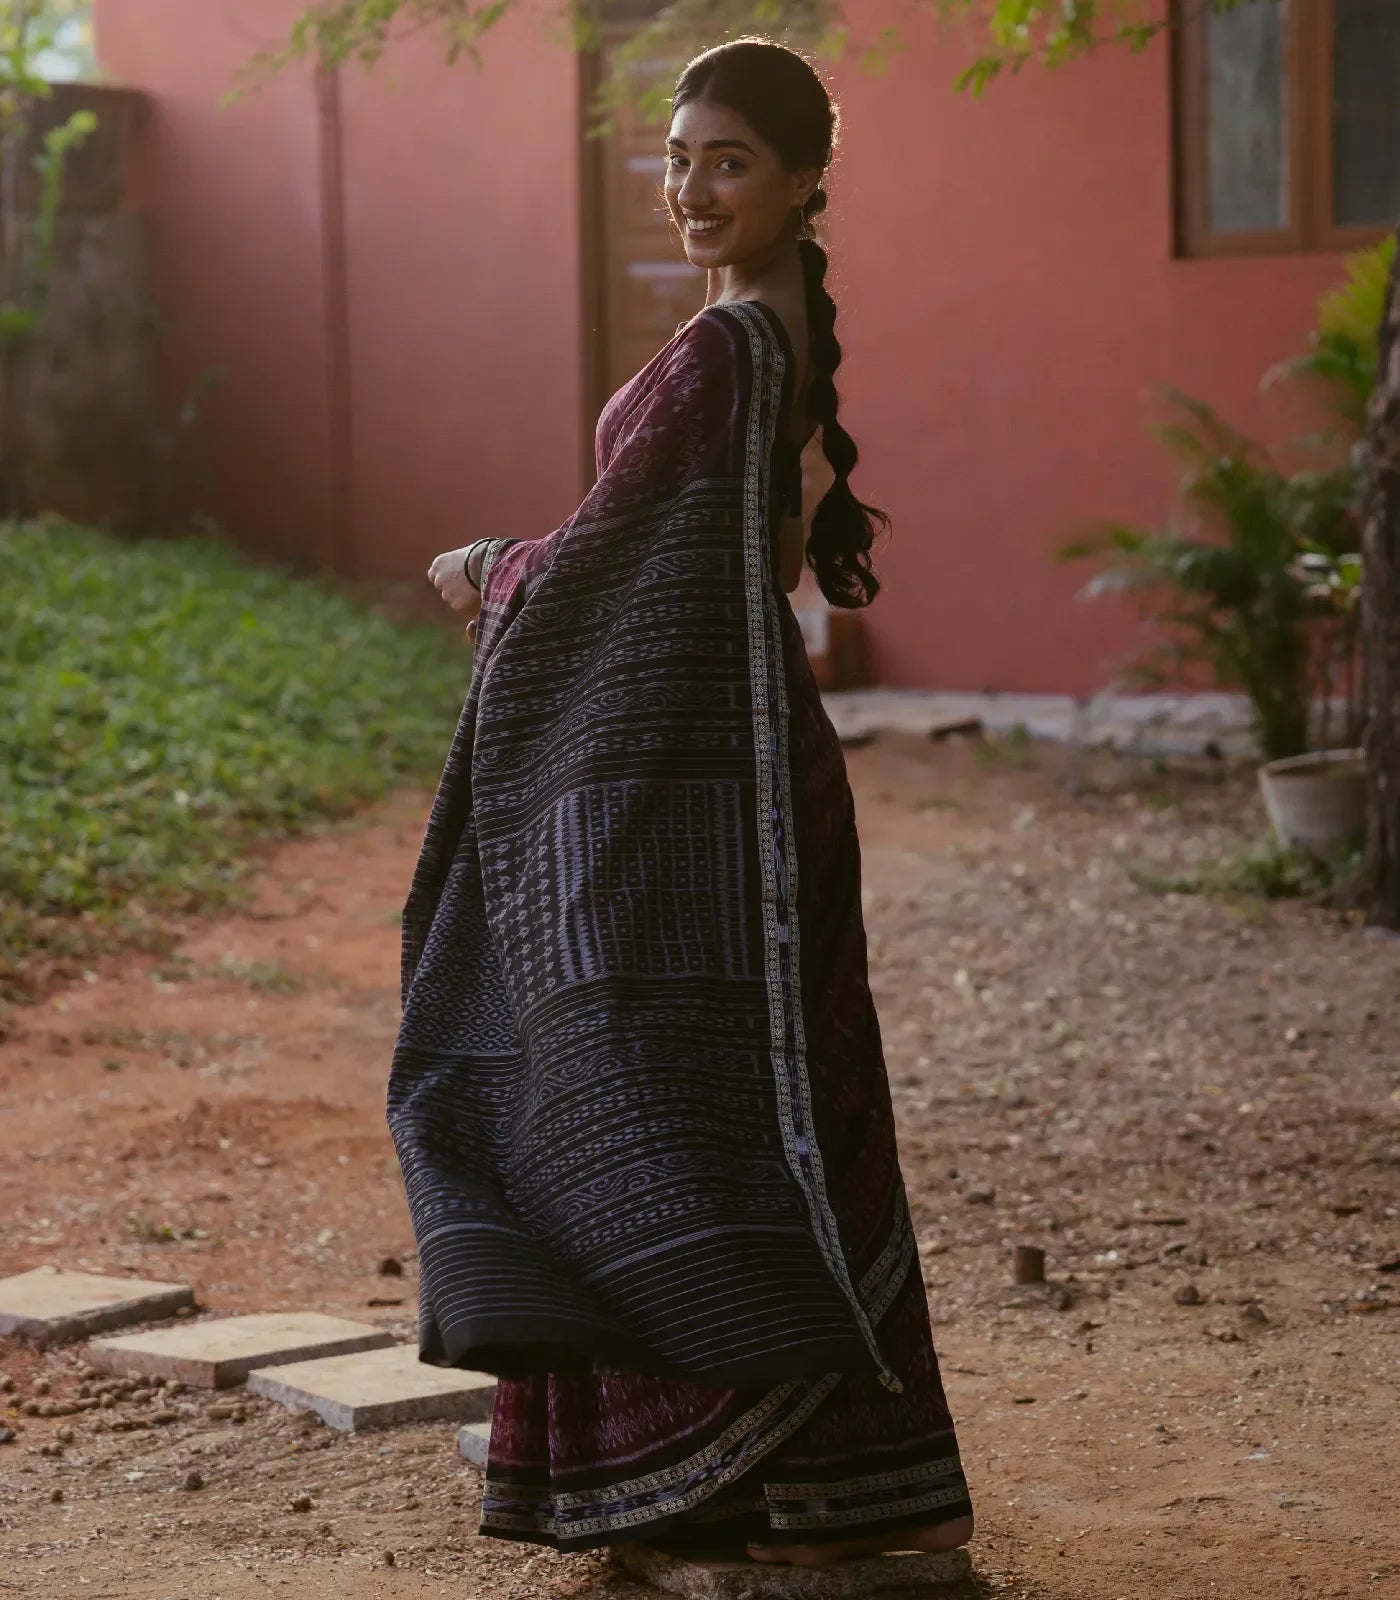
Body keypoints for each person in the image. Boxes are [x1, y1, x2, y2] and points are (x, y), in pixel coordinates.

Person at [392, 38, 973, 1566]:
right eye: (680, 157)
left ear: (803, 182)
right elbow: (706, 557)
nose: (694, 188)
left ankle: (715, 1470)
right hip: (731, 773)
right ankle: (821, 1481)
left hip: (711, 796)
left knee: (664, 1095)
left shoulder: (734, 352)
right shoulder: (751, 331)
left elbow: (619, 551)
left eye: (730, 160)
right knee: (759, 1112)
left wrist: (492, 572)